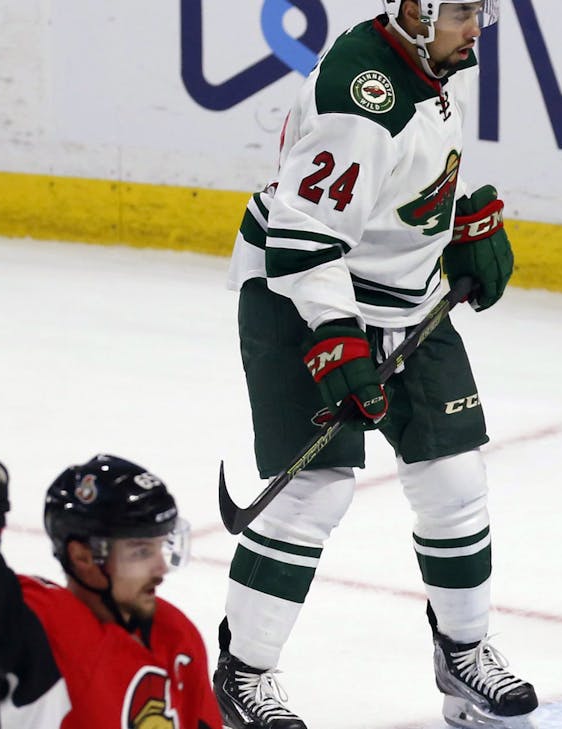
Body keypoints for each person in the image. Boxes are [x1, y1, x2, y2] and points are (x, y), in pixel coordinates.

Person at [217, 1, 534, 728]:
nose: (474, 26)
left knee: (454, 479)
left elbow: (390, 191)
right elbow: (304, 238)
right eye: (460, 10)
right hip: (301, 297)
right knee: (315, 490)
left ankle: (463, 654)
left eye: (479, 10)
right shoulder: (361, 100)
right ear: (416, 10)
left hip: (402, 300)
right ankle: (245, 671)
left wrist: (454, 235)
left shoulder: (423, 65)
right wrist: (336, 340)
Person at [0, 452, 219, 728]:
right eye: (140, 552)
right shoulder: (51, 629)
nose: (161, 569)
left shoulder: (174, 633)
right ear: (83, 557)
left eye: (161, 546)